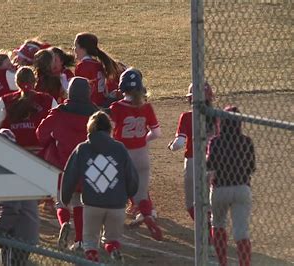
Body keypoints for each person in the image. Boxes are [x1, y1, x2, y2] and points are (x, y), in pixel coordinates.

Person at [61, 111, 139, 263]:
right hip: (117, 205)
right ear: (110, 128)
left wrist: (65, 198)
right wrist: (130, 194)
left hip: (92, 204)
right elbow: (131, 176)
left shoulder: (82, 149)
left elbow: (69, 176)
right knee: (111, 238)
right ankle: (113, 249)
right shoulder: (120, 148)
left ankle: (92, 258)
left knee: (90, 240)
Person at [36, 77, 98, 251]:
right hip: (87, 167)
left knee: (61, 202)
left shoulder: (60, 112)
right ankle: (79, 241)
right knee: (79, 202)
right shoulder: (95, 114)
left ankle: (64, 222)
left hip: (62, 165)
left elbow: (41, 134)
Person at [109, 68, 163, 241]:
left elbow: (108, 130)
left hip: (122, 154)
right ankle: (148, 215)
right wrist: (143, 140)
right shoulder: (146, 107)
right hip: (141, 154)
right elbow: (157, 133)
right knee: (141, 193)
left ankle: (112, 223)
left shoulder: (116, 107)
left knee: (116, 189)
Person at [207, 106, 255, 266]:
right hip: (242, 187)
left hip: (220, 188)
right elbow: (251, 168)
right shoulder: (247, 141)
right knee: (241, 231)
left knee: (218, 224)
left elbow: (210, 165)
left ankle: (223, 263)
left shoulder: (215, 141)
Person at [168, 82, 217, 220]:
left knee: (191, 204)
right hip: (214, 162)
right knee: (210, 202)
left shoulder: (187, 117)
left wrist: (171, 146)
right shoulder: (216, 116)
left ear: (191, 99)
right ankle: (212, 230)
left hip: (192, 162)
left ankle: (204, 229)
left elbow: (179, 144)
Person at [0, 128, 40, 266]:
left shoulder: (10, 171)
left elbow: (11, 207)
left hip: (17, 235)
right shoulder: (17, 167)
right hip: (22, 233)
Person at [0, 66, 57, 153]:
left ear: (16, 82)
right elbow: (58, 126)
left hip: (14, 152)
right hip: (41, 155)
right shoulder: (48, 100)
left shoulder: (6, 100)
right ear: (35, 81)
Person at [73, 32, 120, 107]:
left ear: (83, 49)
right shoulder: (98, 64)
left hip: (91, 107)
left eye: (76, 46)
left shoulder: (83, 66)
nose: (74, 49)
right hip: (102, 103)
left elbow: (78, 91)